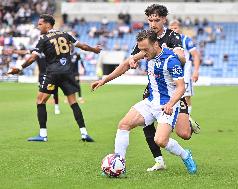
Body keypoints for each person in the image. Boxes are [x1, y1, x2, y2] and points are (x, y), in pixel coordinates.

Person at [91, 4, 200, 172]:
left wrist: (167, 53)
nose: (153, 23)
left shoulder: (172, 38)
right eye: (150, 20)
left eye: (157, 20)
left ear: (164, 19)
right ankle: (121, 163)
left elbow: (182, 58)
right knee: (124, 124)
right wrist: (105, 79)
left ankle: (185, 153)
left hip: (171, 96)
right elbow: (128, 63)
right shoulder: (146, 40)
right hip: (153, 94)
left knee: (179, 135)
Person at [8, 14, 101, 142]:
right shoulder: (65, 34)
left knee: (40, 101)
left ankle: (43, 135)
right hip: (68, 73)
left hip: (53, 73)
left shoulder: (44, 39)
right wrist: (94, 50)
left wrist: (19, 68)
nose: (38, 26)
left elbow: (33, 57)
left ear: (48, 24)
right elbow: (83, 46)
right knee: (73, 102)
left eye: (40, 24)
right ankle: (84, 133)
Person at [8, 49, 61, 114]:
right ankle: (42, 109)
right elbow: (25, 52)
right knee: (41, 92)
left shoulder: (50, 48)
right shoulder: (37, 50)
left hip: (50, 73)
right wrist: (15, 51)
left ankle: (56, 107)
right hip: (41, 75)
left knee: (54, 91)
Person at [169, 20, 201, 117]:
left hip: (185, 74)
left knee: (186, 97)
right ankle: (171, 118)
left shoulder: (186, 40)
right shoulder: (166, 41)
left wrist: (196, 71)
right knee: (170, 96)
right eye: (172, 28)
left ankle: (186, 119)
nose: (173, 30)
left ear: (180, 29)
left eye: (176, 28)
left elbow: (195, 55)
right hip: (171, 73)